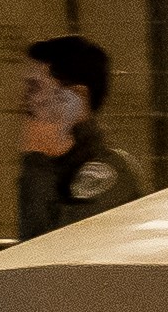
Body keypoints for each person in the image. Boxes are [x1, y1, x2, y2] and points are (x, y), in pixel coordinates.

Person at [14, 35, 137, 237]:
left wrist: (37, 158)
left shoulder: (111, 171)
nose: (24, 101)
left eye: (35, 87)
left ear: (76, 98)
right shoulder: (55, 167)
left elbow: (44, 245)